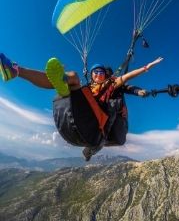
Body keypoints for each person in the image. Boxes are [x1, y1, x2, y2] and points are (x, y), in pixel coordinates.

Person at [0, 53, 163, 160]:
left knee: (74, 77)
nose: (98, 75)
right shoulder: (89, 87)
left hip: (94, 124)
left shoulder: (110, 84)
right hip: (80, 117)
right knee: (70, 78)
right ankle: (16, 71)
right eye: (95, 72)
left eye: (101, 73)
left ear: (105, 75)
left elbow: (126, 77)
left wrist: (145, 68)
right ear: (91, 75)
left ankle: (64, 85)